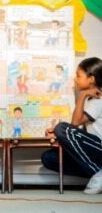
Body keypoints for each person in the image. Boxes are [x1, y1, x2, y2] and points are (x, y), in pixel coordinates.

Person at [41, 57, 102, 194]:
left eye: (78, 76)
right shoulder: (91, 99)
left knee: (62, 127)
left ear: (91, 79)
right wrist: (58, 133)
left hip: (99, 148)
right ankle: (98, 172)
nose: (75, 79)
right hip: (93, 149)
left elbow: (75, 123)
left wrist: (82, 95)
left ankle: (98, 174)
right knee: (48, 158)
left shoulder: (98, 99)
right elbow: (79, 128)